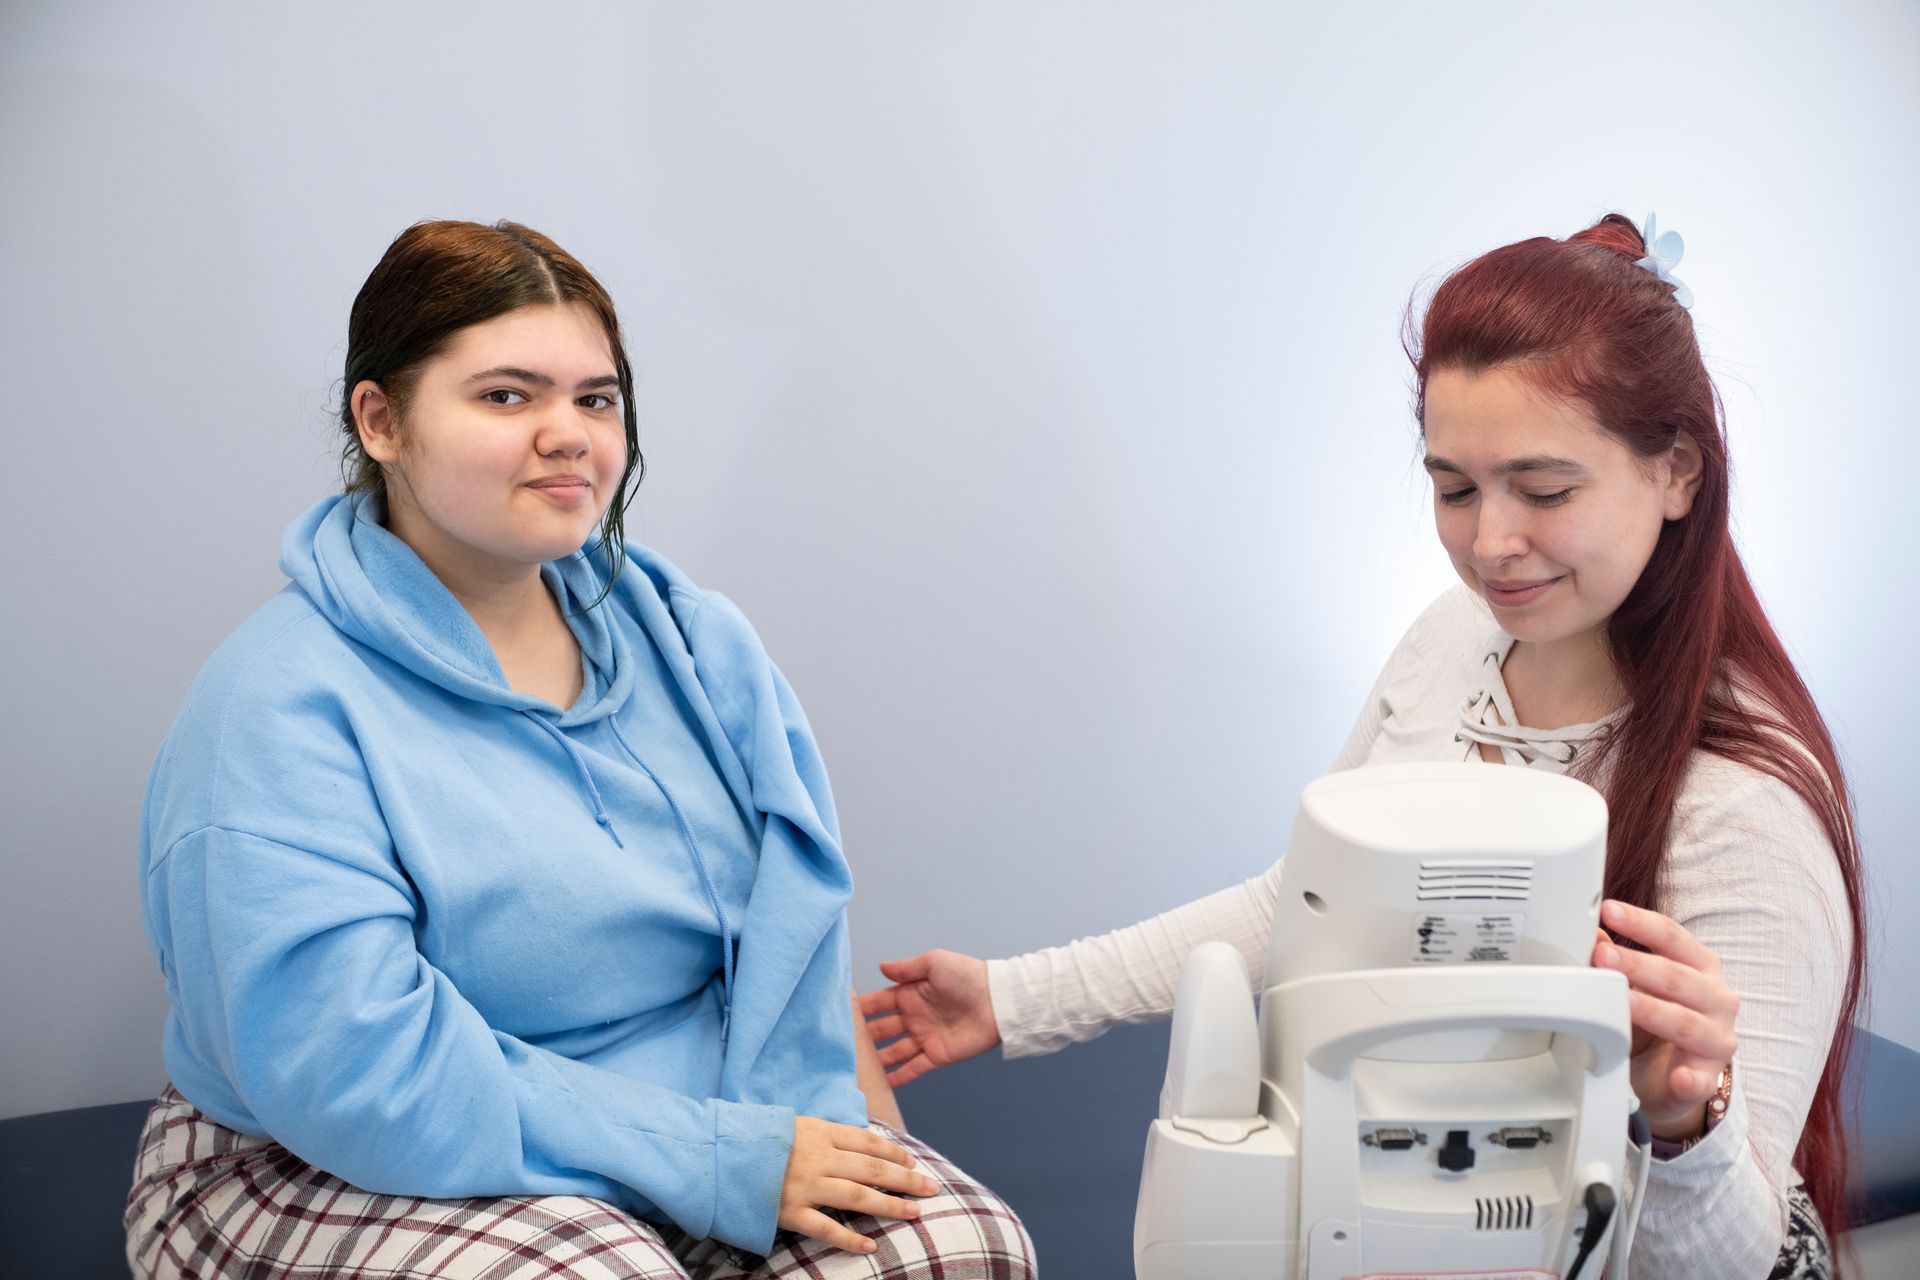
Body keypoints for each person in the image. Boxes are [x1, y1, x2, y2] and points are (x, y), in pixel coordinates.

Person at [862, 213, 1864, 1279]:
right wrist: (1014, 999)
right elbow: (1309, 898)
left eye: (1546, 489)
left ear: (1676, 473)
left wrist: (1685, 1127)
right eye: (1454, 488)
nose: (1490, 543)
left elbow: (1736, 1262)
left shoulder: (1742, 808)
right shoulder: (1456, 636)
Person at [127, 220, 1036, 1280]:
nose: (570, 434)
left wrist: (839, 1133)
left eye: (595, 399)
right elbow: (353, 1065)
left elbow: (792, 934)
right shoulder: (277, 709)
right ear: (380, 420)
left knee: (958, 1248)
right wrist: (707, 1158)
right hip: (329, 1154)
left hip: (694, 1131)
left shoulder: (693, 638)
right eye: (507, 395)